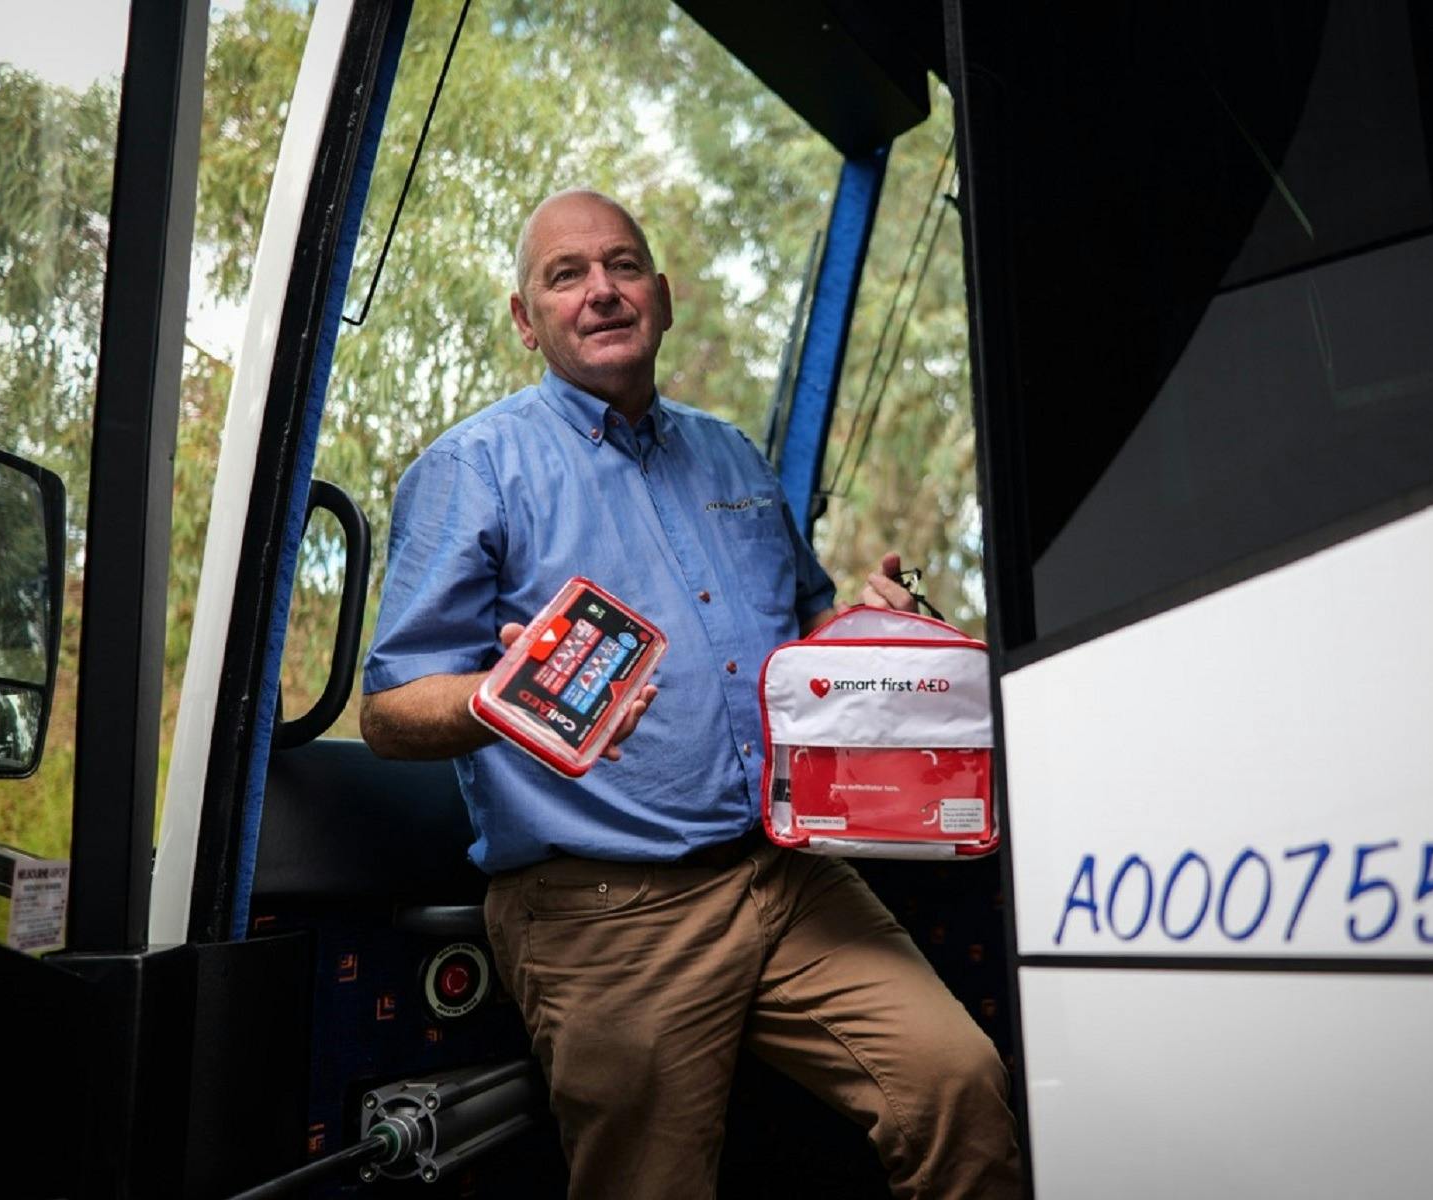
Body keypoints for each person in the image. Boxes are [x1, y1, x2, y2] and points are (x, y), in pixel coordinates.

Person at [360, 189, 1023, 1199]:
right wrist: (503, 698)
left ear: (662, 299)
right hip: (602, 909)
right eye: (566, 275)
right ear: (525, 317)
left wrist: (875, 624)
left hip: (786, 876)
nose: (601, 292)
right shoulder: (473, 470)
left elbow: (802, 639)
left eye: (623, 266)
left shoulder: (731, 456)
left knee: (958, 1084)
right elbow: (386, 713)